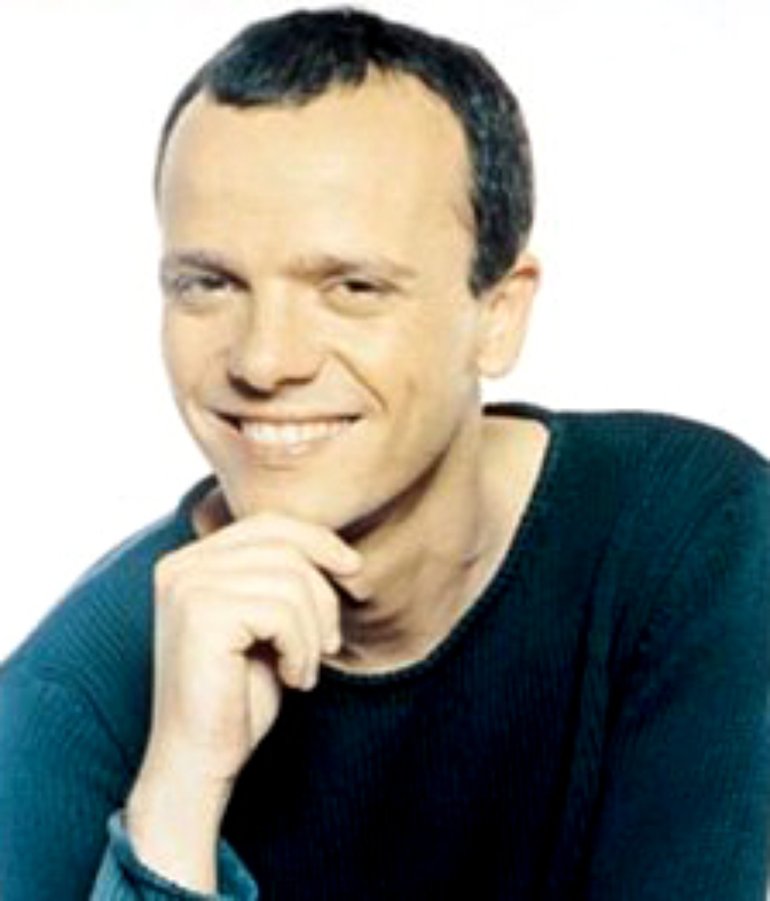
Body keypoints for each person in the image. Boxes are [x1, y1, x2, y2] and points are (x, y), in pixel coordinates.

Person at [1, 7, 768, 899]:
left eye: (352, 287)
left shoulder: (692, 539)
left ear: (498, 313)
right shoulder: (66, 704)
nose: (264, 361)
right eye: (209, 284)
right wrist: (177, 801)